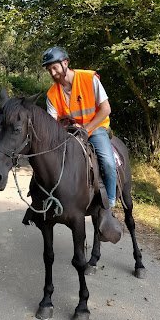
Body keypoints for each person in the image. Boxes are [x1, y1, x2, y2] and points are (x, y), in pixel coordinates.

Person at [42, 46, 117, 208]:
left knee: (109, 163)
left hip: (96, 128)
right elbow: (51, 123)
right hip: (70, 133)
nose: (53, 73)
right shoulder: (51, 94)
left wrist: (86, 129)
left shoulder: (89, 79)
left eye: (54, 68)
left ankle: (110, 203)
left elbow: (106, 109)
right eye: (49, 70)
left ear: (65, 63)